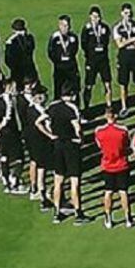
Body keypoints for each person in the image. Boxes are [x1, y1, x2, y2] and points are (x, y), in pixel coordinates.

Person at [37, 89, 85, 224]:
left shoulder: (52, 106)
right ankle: (78, 213)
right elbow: (78, 128)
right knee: (74, 181)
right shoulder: (72, 108)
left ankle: (57, 213)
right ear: (73, 95)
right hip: (71, 146)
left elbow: (38, 122)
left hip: (57, 146)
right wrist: (80, 139)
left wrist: (51, 135)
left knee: (58, 180)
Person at [95, 108, 132, 229]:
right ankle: (128, 218)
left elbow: (100, 146)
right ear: (115, 116)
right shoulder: (123, 130)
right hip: (122, 164)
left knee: (108, 191)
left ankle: (108, 218)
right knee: (123, 192)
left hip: (107, 165)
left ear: (106, 116)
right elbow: (127, 145)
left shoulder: (99, 131)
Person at [0, 78, 26, 194]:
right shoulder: (10, 102)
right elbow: (8, 116)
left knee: (4, 156)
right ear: (9, 87)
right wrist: (1, 126)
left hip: (3, 133)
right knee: (19, 158)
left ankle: (6, 182)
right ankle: (14, 180)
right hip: (11, 132)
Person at [113, 2, 135, 118]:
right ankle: (124, 106)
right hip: (124, 57)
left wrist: (128, 41)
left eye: (130, 13)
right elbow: (120, 45)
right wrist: (132, 39)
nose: (129, 15)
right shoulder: (118, 27)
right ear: (122, 13)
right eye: (126, 13)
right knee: (123, 83)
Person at [22, 83, 53, 211]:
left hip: (34, 142)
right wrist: (51, 135)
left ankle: (38, 189)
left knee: (39, 166)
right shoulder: (37, 111)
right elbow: (40, 126)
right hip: (40, 142)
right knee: (42, 168)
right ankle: (42, 195)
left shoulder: (30, 109)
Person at [80, 5, 113, 112]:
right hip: (91, 61)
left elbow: (106, 41)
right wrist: (89, 55)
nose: (96, 19)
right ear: (90, 17)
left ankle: (109, 106)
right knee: (89, 85)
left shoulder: (105, 28)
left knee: (107, 84)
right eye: (94, 17)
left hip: (103, 60)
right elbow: (83, 44)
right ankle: (86, 108)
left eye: (98, 17)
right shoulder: (86, 29)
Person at [47, 14, 80, 101]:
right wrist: (58, 61)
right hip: (59, 69)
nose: (66, 28)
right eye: (64, 26)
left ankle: (76, 111)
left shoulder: (73, 37)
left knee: (74, 90)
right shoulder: (54, 37)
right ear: (60, 25)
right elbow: (50, 52)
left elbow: (75, 50)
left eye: (68, 25)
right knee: (58, 90)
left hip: (71, 68)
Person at [4, 18, 38, 87]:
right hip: (30, 70)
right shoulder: (29, 38)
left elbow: (8, 59)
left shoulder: (11, 41)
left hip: (17, 72)